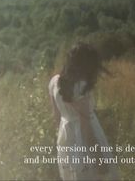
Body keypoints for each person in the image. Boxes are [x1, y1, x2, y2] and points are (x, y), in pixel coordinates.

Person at [48, 42, 119, 181]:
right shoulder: (82, 87)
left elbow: (56, 119)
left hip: (65, 138)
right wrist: (99, 161)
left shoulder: (54, 82)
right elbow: (86, 128)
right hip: (86, 140)